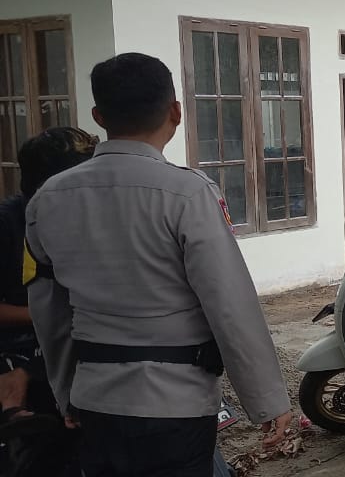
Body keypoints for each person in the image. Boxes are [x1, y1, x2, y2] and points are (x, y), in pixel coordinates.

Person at [24, 52, 292, 477]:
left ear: (98, 116)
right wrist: (267, 399)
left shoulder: (47, 199)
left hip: (95, 401)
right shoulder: (187, 193)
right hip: (175, 404)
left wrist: (65, 393)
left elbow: (49, 312)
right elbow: (230, 304)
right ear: (176, 112)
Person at [0, 127, 97, 477]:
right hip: (23, 345)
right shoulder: (8, 224)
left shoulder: (96, 220)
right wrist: (44, 314)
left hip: (81, 345)